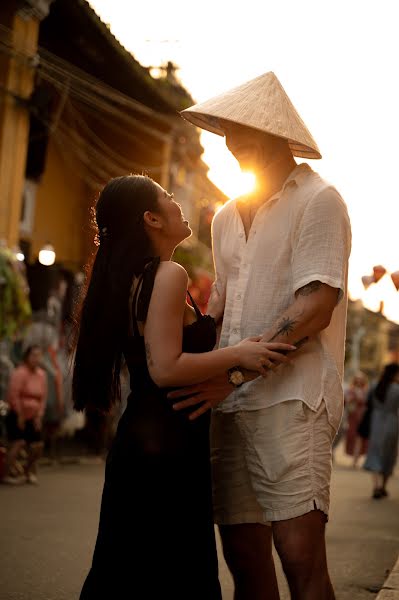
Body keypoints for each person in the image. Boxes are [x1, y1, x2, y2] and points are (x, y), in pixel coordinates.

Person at [171, 71, 352, 600]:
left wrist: (231, 372)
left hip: (293, 401)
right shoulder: (224, 216)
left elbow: (316, 305)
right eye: (227, 130)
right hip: (228, 407)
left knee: (299, 557)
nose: (232, 141)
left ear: (277, 132)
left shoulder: (320, 200)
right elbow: (223, 309)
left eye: (244, 129)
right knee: (244, 561)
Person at [72, 174, 293, 599]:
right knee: (172, 573)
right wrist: (238, 355)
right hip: (168, 441)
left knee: (126, 570)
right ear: (151, 218)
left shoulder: (135, 277)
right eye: (169, 197)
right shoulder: (167, 273)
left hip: (144, 438)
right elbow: (166, 368)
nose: (178, 202)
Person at [4, 344, 47, 484]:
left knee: (37, 446)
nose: (36, 358)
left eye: (39, 355)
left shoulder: (41, 374)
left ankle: (28, 471)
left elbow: (43, 398)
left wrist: (39, 415)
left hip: (33, 415)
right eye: (33, 355)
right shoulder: (20, 372)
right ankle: (5, 474)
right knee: (18, 443)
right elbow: (13, 394)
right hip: (18, 413)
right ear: (27, 357)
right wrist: (20, 414)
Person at [363, 363, 399, 499]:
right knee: (389, 455)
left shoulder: (374, 386)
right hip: (392, 423)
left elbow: (367, 403)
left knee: (375, 452)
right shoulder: (397, 389)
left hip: (376, 422)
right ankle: (383, 486)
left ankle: (376, 486)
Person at [344, 371, 369, 466]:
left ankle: (356, 459)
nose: (359, 381)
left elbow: (367, 402)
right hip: (353, 417)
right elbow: (347, 401)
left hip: (362, 417)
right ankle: (354, 457)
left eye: (361, 379)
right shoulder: (351, 390)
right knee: (352, 436)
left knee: (360, 438)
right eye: (357, 379)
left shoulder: (366, 391)